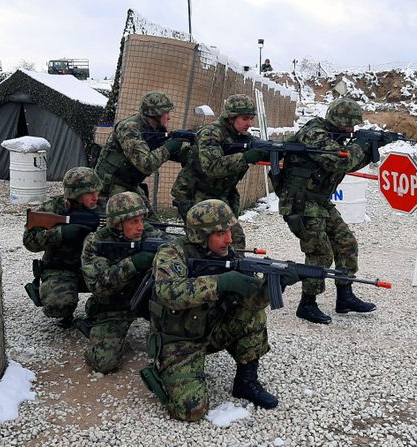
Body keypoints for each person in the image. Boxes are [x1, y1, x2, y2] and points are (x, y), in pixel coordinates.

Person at [143, 199, 285, 421]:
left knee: (253, 315)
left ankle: (246, 382)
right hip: (179, 341)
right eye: (220, 233)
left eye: (229, 230)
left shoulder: (228, 255)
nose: (229, 239)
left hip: (212, 331)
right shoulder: (172, 252)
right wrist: (221, 283)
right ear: (201, 235)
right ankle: (168, 372)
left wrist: (275, 285)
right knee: (191, 411)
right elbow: (168, 292)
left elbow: (251, 303)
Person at [275, 97, 384, 324]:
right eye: (349, 125)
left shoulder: (333, 137)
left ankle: (345, 296)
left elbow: (349, 163)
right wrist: (361, 143)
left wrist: (372, 146)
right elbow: (339, 162)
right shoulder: (314, 134)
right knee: (320, 253)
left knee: (346, 243)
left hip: (318, 201)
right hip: (299, 202)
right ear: (337, 120)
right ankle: (307, 304)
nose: (352, 130)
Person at [78, 191, 164, 373]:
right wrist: (133, 263)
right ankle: (96, 325)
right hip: (113, 306)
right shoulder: (96, 242)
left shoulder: (151, 234)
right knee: (102, 363)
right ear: (117, 223)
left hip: (146, 301)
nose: (141, 227)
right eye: (134, 222)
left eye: (142, 220)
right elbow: (98, 285)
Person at [171, 94, 267, 250]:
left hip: (219, 195)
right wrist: (245, 158)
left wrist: (278, 151)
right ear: (231, 117)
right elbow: (212, 167)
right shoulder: (211, 133)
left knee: (234, 239)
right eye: (245, 118)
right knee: (209, 243)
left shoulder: (241, 137)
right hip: (195, 194)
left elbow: (260, 148)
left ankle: (233, 271)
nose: (249, 123)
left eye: (251, 118)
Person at [23, 167, 103, 327]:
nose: (96, 197)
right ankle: (60, 304)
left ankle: (100, 307)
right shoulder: (52, 209)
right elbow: (29, 241)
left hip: (94, 268)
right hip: (61, 269)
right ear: (75, 194)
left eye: (97, 191)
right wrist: (60, 233)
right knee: (58, 305)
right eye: (89, 193)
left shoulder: (103, 208)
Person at [94, 91, 186, 216]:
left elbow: (169, 150)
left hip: (130, 184)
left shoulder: (154, 129)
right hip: (112, 186)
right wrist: (169, 148)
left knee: (154, 224)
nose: (169, 117)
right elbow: (146, 164)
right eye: (166, 113)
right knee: (133, 225)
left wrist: (187, 149)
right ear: (155, 114)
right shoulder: (130, 128)